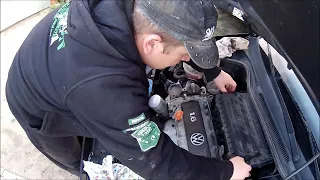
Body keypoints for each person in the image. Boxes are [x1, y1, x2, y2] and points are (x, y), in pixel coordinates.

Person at [6, 0, 251, 179]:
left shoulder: (137, 9)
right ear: (151, 43)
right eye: (184, 55)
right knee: (80, 160)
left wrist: (213, 72)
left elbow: (180, 32)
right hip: (38, 107)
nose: (184, 60)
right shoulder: (105, 87)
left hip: (57, 65)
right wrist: (226, 172)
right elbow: (156, 162)